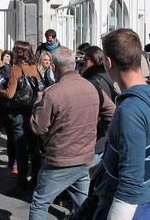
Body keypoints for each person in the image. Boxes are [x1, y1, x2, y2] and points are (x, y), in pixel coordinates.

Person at [92, 28, 150, 219]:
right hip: (149, 195)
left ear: (108, 62)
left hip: (130, 208)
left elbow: (131, 181)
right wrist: (106, 163)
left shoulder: (131, 111)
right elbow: (138, 150)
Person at [29, 46, 105, 219]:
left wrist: (37, 104)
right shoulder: (91, 86)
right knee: (84, 203)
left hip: (60, 160)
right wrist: (96, 134)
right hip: (85, 157)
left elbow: (37, 127)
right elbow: (112, 112)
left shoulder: (52, 93)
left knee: (40, 202)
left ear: (54, 67)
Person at [0, 41, 41, 193]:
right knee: (34, 149)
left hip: (19, 114)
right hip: (33, 111)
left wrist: (0, 91)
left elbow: (10, 94)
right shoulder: (34, 67)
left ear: (18, 53)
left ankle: (21, 184)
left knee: (21, 151)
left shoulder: (16, 69)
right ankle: (35, 180)